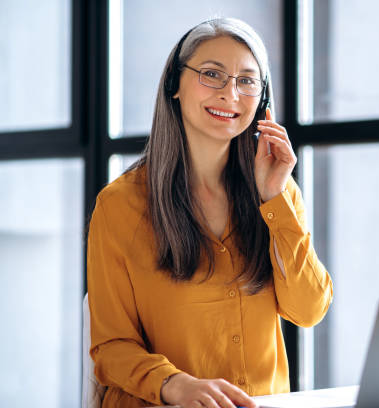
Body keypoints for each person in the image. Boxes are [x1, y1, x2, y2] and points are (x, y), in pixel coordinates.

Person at [87, 17, 333, 408]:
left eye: (247, 80)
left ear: (263, 100)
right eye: (212, 74)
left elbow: (308, 309)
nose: (230, 94)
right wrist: (175, 385)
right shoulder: (120, 205)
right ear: (175, 86)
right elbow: (111, 346)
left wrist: (276, 200)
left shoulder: (278, 192)